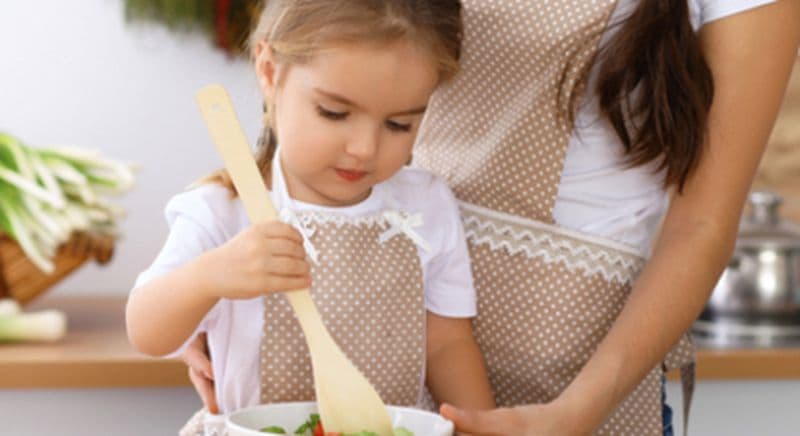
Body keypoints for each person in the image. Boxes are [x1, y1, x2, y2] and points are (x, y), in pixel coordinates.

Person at [182, 0, 800, 435]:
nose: (370, 143)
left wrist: (576, 414)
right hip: (379, 381)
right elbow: (327, 49)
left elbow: (702, 225)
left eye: (399, 125)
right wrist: (212, 294)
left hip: (574, 393)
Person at [126, 1, 496, 435]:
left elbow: (447, 342)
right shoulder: (222, 210)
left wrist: (480, 426)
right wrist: (208, 276)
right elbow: (146, 332)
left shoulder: (427, 205)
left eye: (398, 125)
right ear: (270, 71)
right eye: (334, 113)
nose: (364, 148)